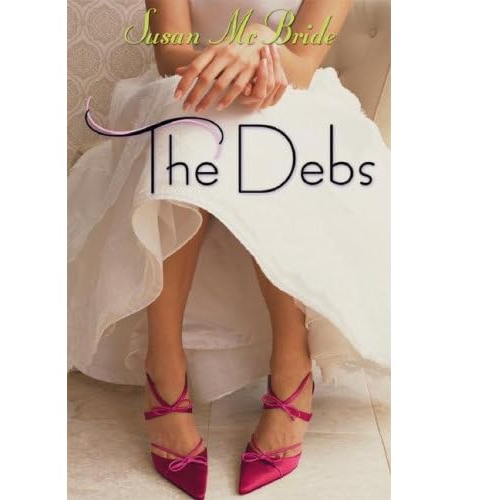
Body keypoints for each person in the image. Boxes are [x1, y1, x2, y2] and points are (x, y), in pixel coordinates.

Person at [68, 0, 389, 497]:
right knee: (188, 124)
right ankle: (164, 366)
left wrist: (258, 43)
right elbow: (170, 55)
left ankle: (291, 364)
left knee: (263, 127)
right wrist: (225, 65)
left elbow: (302, 67)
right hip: (185, 86)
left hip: (295, 97)